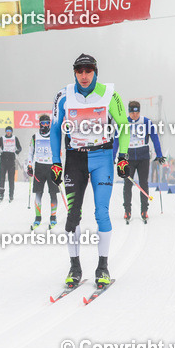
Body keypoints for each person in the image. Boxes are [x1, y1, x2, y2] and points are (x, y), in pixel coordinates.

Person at [50, 53, 130, 289]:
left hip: (102, 158)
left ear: (95, 72)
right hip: (74, 160)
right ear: (74, 73)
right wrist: (56, 161)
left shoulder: (109, 94)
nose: (84, 76)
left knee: (102, 213)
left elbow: (124, 127)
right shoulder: (63, 96)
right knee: (73, 215)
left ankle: (102, 266)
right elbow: (56, 130)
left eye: (88, 71)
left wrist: (122, 156)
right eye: (79, 71)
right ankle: (74, 267)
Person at [112, 100, 164, 223]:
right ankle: (127, 210)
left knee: (143, 183)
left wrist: (159, 154)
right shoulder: (123, 123)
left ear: (139, 112)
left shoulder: (146, 122)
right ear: (129, 111)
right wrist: (113, 156)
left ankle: (144, 210)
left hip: (143, 157)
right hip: (128, 158)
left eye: (137, 112)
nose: (134, 115)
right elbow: (116, 141)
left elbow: (155, 138)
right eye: (132, 112)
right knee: (128, 184)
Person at [26, 113, 57, 230]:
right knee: (38, 192)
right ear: (39, 124)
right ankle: (37, 218)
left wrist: (59, 165)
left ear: (49, 124)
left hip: (51, 167)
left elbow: (59, 151)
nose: (45, 125)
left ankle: (53, 217)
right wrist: (29, 165)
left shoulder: (54, 136)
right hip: (39, 167)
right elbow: (30, 152)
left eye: (47, 123)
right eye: (42, 123)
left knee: (53, 193)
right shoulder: (35, 136)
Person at [0, 125, 22, 203]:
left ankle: (11, 195)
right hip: (3, 160)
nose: (8, 133)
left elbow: (20, 147)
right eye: (7, 131)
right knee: (2, 179)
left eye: (10, 131)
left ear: (11, 132)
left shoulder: (15, 138)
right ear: (5, 132)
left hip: (11, 160)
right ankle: (1, 195)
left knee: (11, 179)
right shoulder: (2, 138)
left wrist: (17, 151)